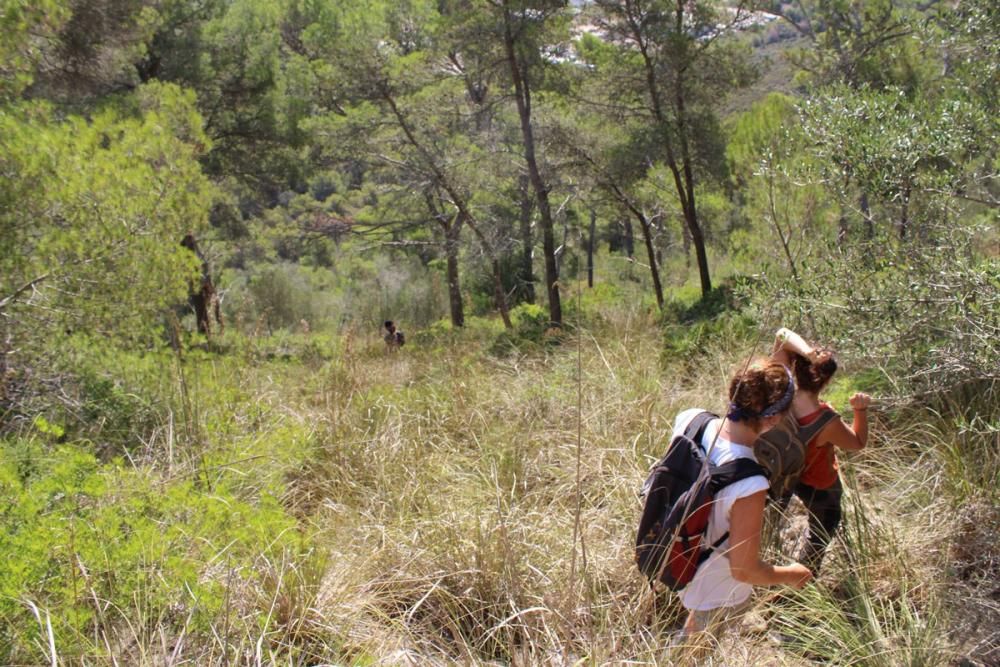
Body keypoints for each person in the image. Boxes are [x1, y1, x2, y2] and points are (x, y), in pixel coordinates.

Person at [674, 359, 813, 643]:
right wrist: (791, 574)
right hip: (715, 585)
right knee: (697, 652)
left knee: (693, 629)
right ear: (773, 419)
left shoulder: (691, 419)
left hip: (674, 552)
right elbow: (744, 569)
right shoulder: (750, 483)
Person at [770, 327, 871, 572]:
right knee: (822, 530)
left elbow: (782, 334)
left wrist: (806, 352)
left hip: (781, 476)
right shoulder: (825, 421)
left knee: (768, 524)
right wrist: (860, 410)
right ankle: (803, 577)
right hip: (818, 482)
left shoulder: (779, 390)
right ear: (826, 381)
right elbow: (857, 442)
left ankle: (770, 567)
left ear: (794, 366)